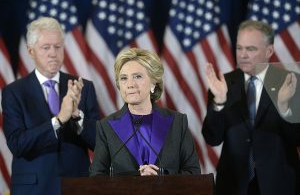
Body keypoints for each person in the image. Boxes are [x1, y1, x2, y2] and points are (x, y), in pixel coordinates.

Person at [1, 17, 100, 195]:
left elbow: (99, 144)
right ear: (31, 51)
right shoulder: (14, 92)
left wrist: (76, 115)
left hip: (77, 185)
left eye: (58, 47)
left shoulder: (82, 87)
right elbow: (17, 144)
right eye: (46, 47)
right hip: (34, 188)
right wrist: (60, 119)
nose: (53, 53)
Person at [202, 19, 300, 195]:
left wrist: (284, 107)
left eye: (251, 49)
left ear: (269, 51)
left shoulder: (289, 82)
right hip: (233, 186)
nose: (243, 55)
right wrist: (219, 102)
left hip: (279, 184)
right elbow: (212, 138)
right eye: (239, 48)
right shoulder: (224, 83)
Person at [90, 48, 201, 176]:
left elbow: (193, 172)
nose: (130, 84)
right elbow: (96, 177)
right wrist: (135, 178)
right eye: (124, 78)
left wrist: (162, 175)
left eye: (137, 76)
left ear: (153, 83)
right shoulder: (106, 127)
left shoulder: (177, 123)